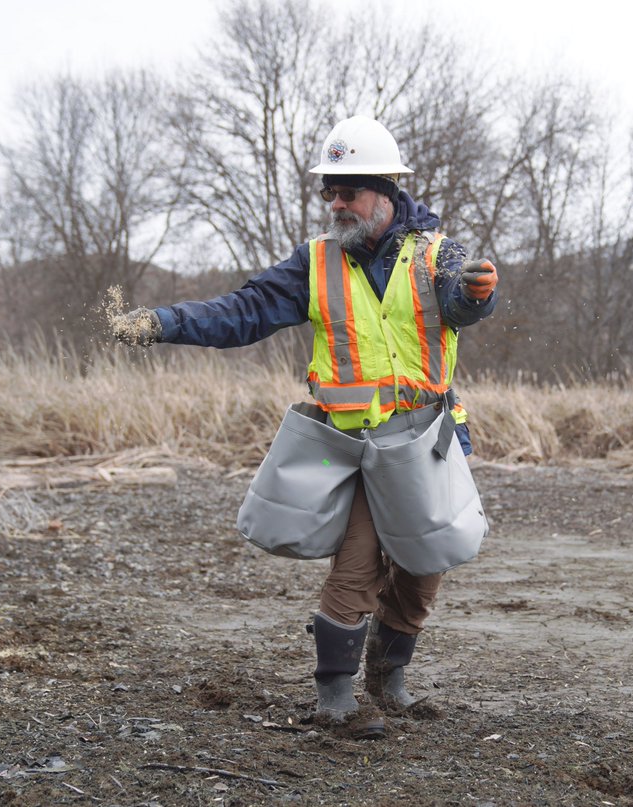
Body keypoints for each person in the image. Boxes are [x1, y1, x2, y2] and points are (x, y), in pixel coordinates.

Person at [111, 115, 498, 734]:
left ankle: (388, 680)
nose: (336, 203)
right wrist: (163, 322)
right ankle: (335, 701)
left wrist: (476, 295)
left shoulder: (438, 254)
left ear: (388, 191)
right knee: (358, 563)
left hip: (425, 439)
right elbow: (243, 312)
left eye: (349, 190)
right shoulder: (314, 263)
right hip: (351, 445)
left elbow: (461, 300)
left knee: (426, 567)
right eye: (329, 192)